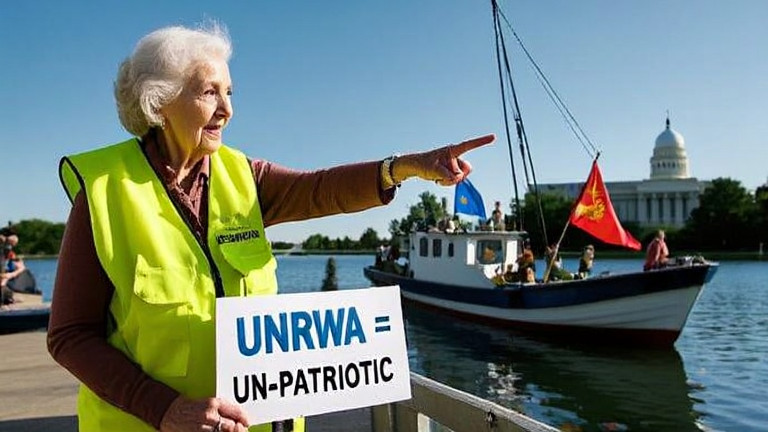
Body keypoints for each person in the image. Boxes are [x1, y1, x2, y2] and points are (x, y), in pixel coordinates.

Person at [47, 24, 494, 432]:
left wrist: (404, 167)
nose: (227, 110)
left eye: (229, 92)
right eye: (209, 93)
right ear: (160, 101)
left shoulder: (245, 176)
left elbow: (319, 189)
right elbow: (70, 335)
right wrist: (164, 409)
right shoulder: (104, 192)